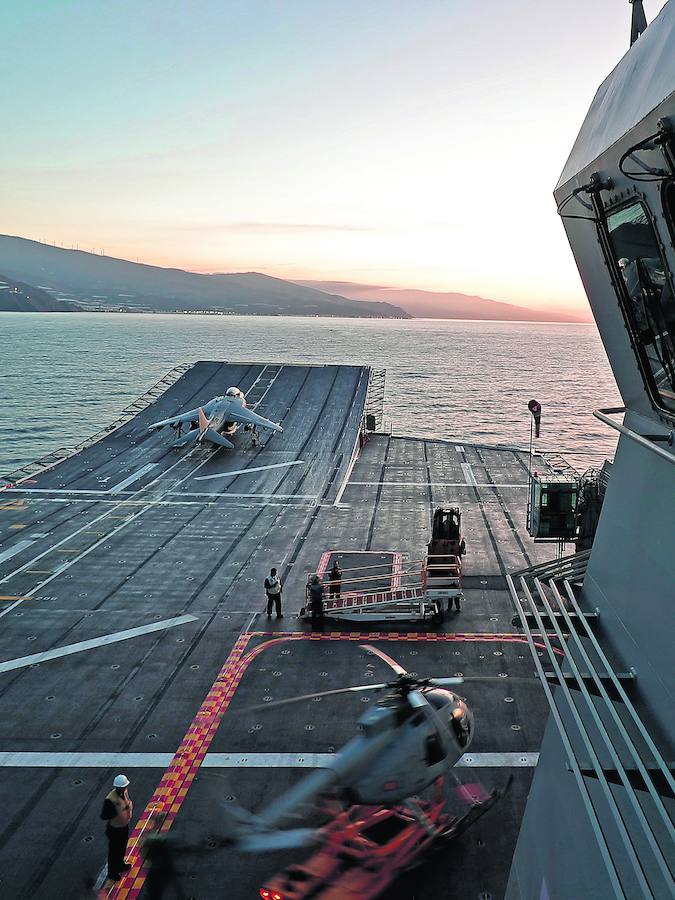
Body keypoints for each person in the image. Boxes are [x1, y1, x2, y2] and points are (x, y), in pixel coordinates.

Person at [100, 774, 133, 882]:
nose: (124, 788)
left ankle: (120, 865)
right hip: (115, 829)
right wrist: (115, 812)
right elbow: (104, 815)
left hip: (123, 826)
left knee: (122, 847)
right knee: (114, 851)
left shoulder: (124, 792)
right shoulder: (110, 799)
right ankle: (112, 872)